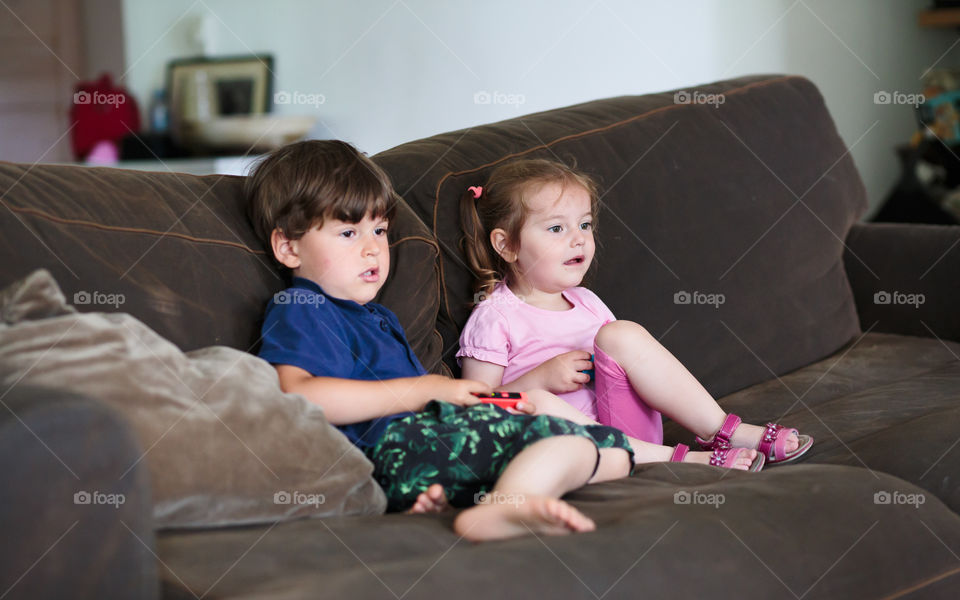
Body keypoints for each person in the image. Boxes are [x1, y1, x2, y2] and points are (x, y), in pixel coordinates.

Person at [246, 140, 652, 543]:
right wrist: (429, 389)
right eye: (349, 232)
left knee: (614, 453)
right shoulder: (303, 306)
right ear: (288, 247)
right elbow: (299, 396)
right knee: (567, 438)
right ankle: (507, 506)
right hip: (396, 449)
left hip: (433, 445)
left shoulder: (378, 317)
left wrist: (470, 399)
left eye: (381, 230)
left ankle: (477, 499)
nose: (373, 249)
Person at [457, 158, 813, 467]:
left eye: (584, 224)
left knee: (620, 334)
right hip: (566, 448)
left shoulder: (587, 302)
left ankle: (722, 430)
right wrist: (540, 379)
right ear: (506, 245)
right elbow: (474, 408)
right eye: (556, 228)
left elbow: (630, 373)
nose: (579, 238)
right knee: (537, 401)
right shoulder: (495, 316)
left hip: (628, 428)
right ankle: (682, 460)